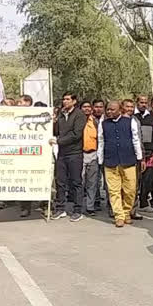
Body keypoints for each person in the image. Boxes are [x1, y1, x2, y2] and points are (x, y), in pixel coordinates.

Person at [97, 101, 144, 227]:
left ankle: (126, 212)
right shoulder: (103, 124)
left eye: (112, 109)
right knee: (113, 190)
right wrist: (100, 159)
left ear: (120, 110)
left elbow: (136, 139)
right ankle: (119, 215)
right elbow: (101, 142)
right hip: (110, 161)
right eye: (108, 110)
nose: (109, 112)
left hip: (128, 160)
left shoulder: (130, 122)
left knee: (130, 190)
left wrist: (139, 157)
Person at [51, 92, 86, 222]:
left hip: (75, 153)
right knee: (60, 181)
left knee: (76, 182)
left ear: (74, 101)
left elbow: (76, 134)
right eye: (64, 99)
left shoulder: (79, 115)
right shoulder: (60, 114)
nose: (65, 101)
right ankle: (60, 208)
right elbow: (56, 132)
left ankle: (77, 210)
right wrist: (54, 122)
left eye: (67, 99)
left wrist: (59, 141)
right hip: (62, 153)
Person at [135, 95, 153, 212]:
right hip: (135, 153)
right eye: (141, 102)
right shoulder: (132, 117)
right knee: (135, 180)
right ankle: (132, 204)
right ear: (137, 103)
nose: (143, 104)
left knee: (147, 179)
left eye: (145, 102)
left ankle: (144, 203)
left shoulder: (151, 117)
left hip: (149, 153)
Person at [17, 95, 35, 218]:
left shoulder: (37, 114)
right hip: (19, 153)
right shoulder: (15, 115)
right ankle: (25, 207)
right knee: (23, 181)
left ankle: (45, 205)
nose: (18, 104)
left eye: (20, 102)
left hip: (35, 153)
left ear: (28, 103)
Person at [81, 101, 100, 217]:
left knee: (92, 182)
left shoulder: (95, 122)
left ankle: (90, 206)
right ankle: (78, 206)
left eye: (89, 107)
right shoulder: (77, 121)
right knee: (80, 181)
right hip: (80, 154)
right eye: (84, 107)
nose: (87, 109)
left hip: (93, 154)